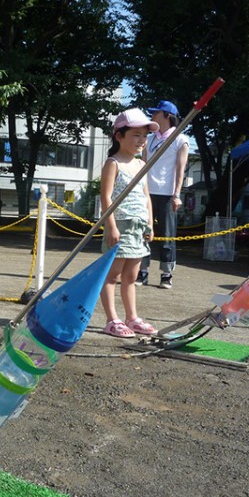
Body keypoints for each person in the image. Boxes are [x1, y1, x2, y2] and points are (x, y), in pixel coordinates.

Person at [99, 108, 158, 338]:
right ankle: (111, 319)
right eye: (136, 135)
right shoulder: (112, 163)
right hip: (120, 224)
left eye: (144, 136)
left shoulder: (141, 165)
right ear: (119, 136)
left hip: (138, 226)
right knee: (112, 275)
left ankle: (132, 317)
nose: (141, 140)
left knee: (131, 277)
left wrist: (150, 223)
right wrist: (111, 226)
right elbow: (106, 197)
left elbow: (146, 196)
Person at [137, 100, 189, 289]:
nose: (152, 116)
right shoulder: (149, 139)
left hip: (167, 194)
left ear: (167, 116)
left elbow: (180, 169)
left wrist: (177, 194)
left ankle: (166, 274)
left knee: (167, 236)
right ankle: (142, 271)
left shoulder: (180, 139)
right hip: (147, 192)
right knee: (144, 232)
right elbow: (142, 165)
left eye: (156, 113)